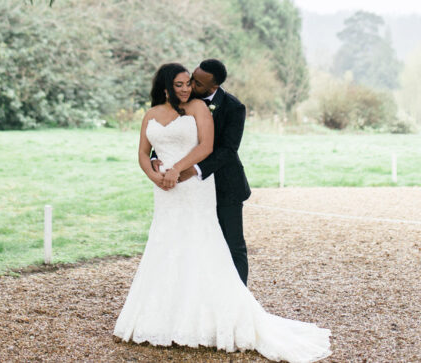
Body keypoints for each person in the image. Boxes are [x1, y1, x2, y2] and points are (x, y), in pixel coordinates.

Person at [114, 63, 331, 362]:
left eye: (193, 83)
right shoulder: (153, 113)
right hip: (166, 190)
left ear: (210, 83)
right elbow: (146, 151)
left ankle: (232, 309)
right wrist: (156, 174)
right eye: (183, 83)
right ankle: (165, 316)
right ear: (166, 86)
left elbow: (218, 148)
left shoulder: (220, 108)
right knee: (167, 244)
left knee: (225, 245)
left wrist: (181, 170)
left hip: (210, 184)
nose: (190, 88)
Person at [154, 59, 251, 284]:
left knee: (232, 245)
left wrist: (194, 170)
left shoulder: (234, 107)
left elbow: (228, 149)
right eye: (191, 79)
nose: (190, 86)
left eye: (197, 83)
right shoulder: (183, 100)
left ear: (213, 87)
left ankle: (238, 300)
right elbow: (163, 132)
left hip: (226, 186)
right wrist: (155, 158)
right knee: (195, 242)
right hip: (190, 190)